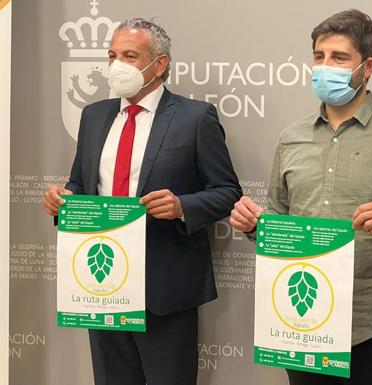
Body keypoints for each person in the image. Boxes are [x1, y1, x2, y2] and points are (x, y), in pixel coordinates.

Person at [230, 9, 372, 385]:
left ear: (368, 66)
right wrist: (255, 227)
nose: (325, 66)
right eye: (319, 56)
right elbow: (279, 224)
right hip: (302, 318)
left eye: (339, 58)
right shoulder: (291, 136)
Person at [42, 18, 241, 385]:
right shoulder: (94, 115)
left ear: (159, 64)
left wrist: (182, 206)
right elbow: (80, 183)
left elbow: (228, 192)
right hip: (101, 284)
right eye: (112, 55)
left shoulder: (195, 119)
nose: (117, 65)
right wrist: (64, 198)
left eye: (130, 55)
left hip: (163, 286)